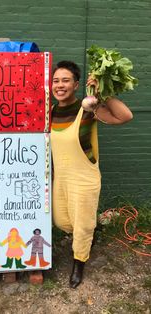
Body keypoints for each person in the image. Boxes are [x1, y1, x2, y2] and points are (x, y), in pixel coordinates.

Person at [51, 60, 133, 289]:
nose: (60, 85)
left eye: (65, 80)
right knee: (61, 220)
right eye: (56, 81)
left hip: (84, 179)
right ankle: (90, 232)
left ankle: (79, 263)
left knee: (82, 226)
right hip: (62, 179)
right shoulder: (51, 113)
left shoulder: (88, 109)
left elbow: (125, 116)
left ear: (76, 84)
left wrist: (103, 94)